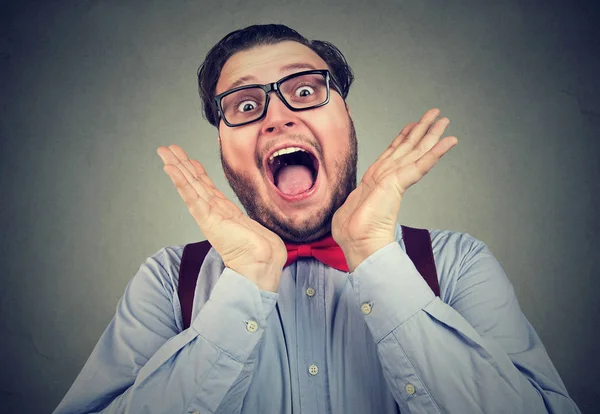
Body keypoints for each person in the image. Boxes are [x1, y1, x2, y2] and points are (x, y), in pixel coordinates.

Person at [53, 24, 580, 413]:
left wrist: (375, 255)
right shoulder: (170, 282)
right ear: (221, 145)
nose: (278, 117)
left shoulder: (457, 264)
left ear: (345, 119)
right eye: (243, 106)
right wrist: (243, 287)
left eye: (305, 91)